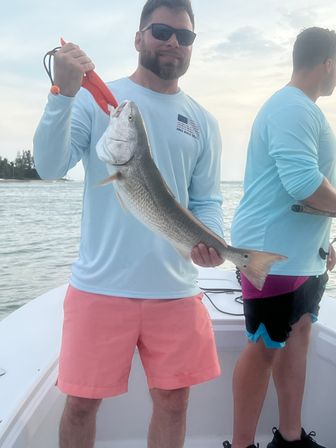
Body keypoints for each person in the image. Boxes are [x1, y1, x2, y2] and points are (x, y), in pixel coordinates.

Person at [33, 1, 224, 447]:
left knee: (174, 402)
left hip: (175, 288)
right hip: (100, 286)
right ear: (138, 38)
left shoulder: (204, 122)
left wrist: (210, 242)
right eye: (161, 31)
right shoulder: (96, 99)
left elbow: (207, 200)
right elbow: (47, 166)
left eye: (185, 35)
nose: (173, 42)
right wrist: (61, 92)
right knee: (80, 403)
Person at [224, 27, 336, 448]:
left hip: (304, 254)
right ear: (328, 63)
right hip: (270, 255)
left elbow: (318, 186)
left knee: (299, 333)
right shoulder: (292, 107)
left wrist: (329, 238)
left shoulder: (304, 108)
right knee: (264, 348)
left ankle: (290, 438)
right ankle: (240, 446)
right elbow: (303, 183)